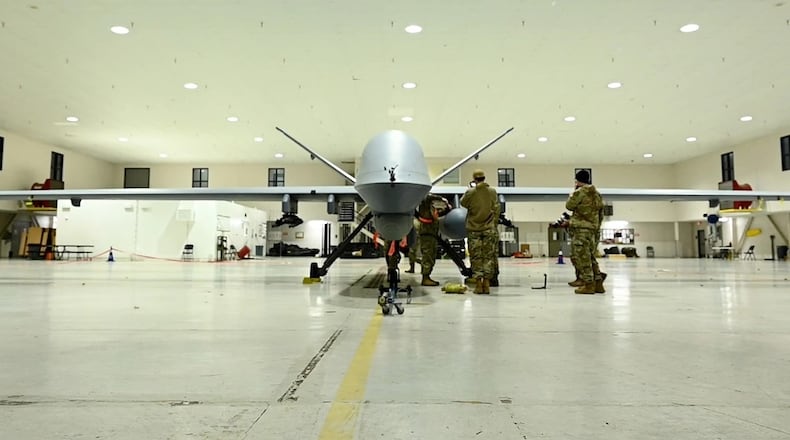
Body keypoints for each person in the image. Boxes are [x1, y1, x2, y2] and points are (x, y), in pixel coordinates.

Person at [565, 169, 605, 294]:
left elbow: (569, 206)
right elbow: (601, 213)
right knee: (591, 256)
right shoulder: (597, 194)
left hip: (581, 230)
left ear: (577, 180)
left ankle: (588, 284)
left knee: (583, 257)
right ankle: (598, 283)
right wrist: (596, 226)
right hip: (593, 230)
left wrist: (573, 193)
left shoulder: (580, 192)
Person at [461, 169, 500, 294]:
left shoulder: (470, 192)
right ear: (484, 177)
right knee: (488, 257)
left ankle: (478, 285)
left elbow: (463, 203)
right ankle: (487, 285)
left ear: (474, 178)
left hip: (474, 229)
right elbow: (496, 206)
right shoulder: (492, 192)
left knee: (476, 257)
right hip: (489, 228)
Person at [416, 193, 449, 286]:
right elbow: (427, 196)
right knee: (428, 255)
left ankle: (427, 276)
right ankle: (425, 278)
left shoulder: (430, 207)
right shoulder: (425, 202)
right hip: (427, 234)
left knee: (431, 255)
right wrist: (442, 199)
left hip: (431, 234)